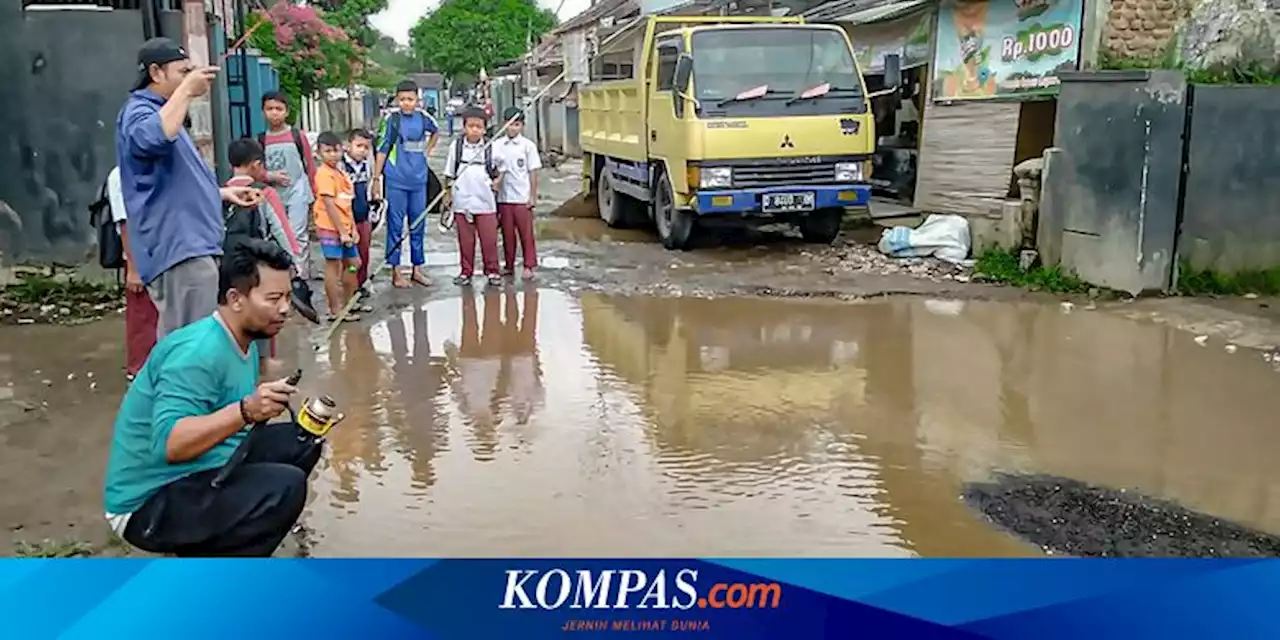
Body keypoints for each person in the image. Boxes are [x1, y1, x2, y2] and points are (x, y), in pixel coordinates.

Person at [102, 239, 318, 557]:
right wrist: (246, 410)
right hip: (147, 505)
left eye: (287, 297)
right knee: (285, 487)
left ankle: (218, 542)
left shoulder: (243, 339)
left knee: (303, 438)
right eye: (273, 298)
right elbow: (170, 445)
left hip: (196, 469)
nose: (285, 308)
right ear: (235, 299)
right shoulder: (197, 353)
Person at [116, 37, 261, 339]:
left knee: (199, 337)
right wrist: (185, 92)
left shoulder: (169, 114)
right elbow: (153, 137)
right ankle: (182, 388)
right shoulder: (140, 112)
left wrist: (220, 194)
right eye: (183, 71)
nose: (190, 77)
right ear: (156, 73)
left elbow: (173, 182)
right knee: (190, 341)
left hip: (196, 243)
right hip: (179, 248)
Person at [224, 138, 303, 375]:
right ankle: (264, 360)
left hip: (228, 264)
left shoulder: (222, 192)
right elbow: (280, 228)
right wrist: (293, 259)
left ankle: (236, 357)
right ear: (257, 165)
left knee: (235, 309)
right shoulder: (264, 193)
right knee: (266, 308)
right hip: (259, 263)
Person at [372, 80, 439, 288]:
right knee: (395, 226)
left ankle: (417, 269)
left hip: (419, 180)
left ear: (418, 100)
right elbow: (382, 149)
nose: (406, 103)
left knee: (418, 224)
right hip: (396, 181)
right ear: (397, 99)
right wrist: (376, 179)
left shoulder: (423, 118)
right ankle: (396, 271)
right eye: (402, 99)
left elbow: (435, 131)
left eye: (410, 99)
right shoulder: (391, 120)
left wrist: (428, 151)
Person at [259, 91, 318, 281]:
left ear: (286, 112)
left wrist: (316, 196)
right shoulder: (261, 140)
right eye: (269, 109)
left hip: (298, 193)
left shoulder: (296, 136)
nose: (274, 113)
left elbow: (310, 165)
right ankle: (282, 276)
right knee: (278, 235)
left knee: (297, 234)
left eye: (279, 109)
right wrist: (269, 176)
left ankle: (300, 277)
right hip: (273, 196)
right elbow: (255, 170)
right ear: (263, 112)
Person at [106, 166, 158, 381]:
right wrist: (134, 268)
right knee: (142, 319)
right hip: (141, 254)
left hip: (160, 252)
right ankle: (138, 373)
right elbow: (124, 222)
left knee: (156, 317)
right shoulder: (121, 175)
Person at [443, 107, 503, 288]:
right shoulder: (457, 146)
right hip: (463, 201)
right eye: (471, 126)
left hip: (485, 201)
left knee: (489, 239)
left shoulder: (491, 146)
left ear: (485, 129)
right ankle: (465, 272)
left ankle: (492, 271)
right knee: (465, 241)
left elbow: (502, 169)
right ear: (464, 127)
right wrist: (447, 195)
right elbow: (449, 172)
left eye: (479, 126)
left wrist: (497, 183)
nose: (475, 130)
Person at [313, 132, 362, 323]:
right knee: (333, 265)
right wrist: (342, 231)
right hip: (330, 227)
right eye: (328, 151)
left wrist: (352, 229)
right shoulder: (324, 174)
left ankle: (348, 303)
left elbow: (346, 203)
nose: (332, 155)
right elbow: (329, 205)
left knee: (353, 264)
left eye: (336, 151)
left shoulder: (340, 173)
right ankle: (335, 309)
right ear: (319, 153)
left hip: (346, 226)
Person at [493, 106, 542, 280]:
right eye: (510, 124)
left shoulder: (527, 146)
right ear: (503, 124)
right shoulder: (497, 145)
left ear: (522, 126)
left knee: (526, 234)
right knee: (507, 234)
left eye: (517, 124)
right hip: (504, 198)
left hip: (522, 198)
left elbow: (533, 172)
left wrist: (532, 196)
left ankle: (529, 265)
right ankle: (509, 265)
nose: (513, 128)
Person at [341, 129, 376, 312]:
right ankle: (349, 288)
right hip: (347, 220)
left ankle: (361, 284)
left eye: (366, 147)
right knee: (350, 259)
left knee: (363, 255)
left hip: (363, 217)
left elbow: (369, 188)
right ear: (348, 146)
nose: (362, 150)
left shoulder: (366, 165)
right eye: (359, 146)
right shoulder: (340, 167)